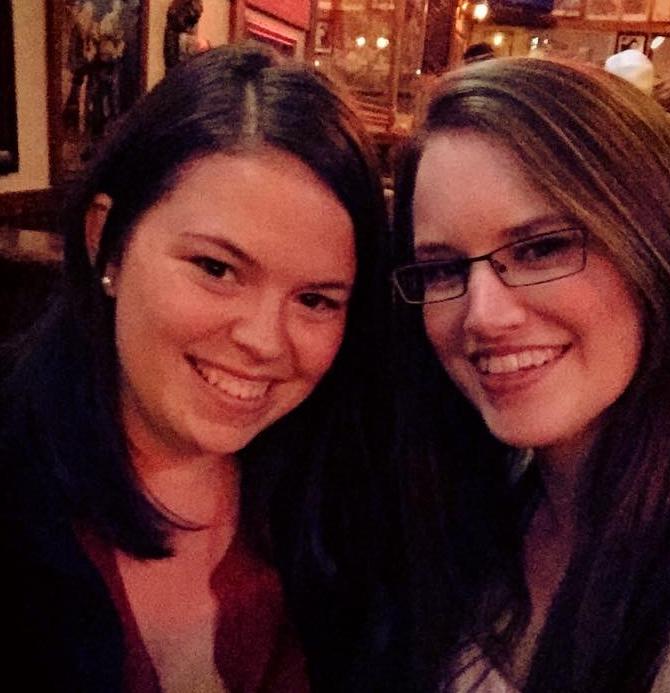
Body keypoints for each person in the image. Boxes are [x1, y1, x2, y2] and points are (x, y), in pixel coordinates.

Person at [0, 43, 392, 691]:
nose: (264, 341)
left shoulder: (347, 489)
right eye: (216, 267)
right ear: (107, 243)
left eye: (316, 300)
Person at [390, 57, 670, 692]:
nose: (484, 315)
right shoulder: (473, 499)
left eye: (541, 248)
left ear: (655, 243)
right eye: (444, 269)